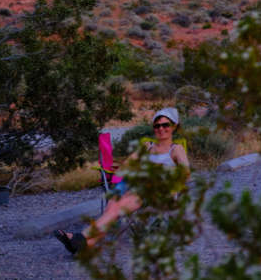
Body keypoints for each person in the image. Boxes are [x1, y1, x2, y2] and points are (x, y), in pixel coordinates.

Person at [54, 107, 190, 255]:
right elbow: (127, 166)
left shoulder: (176, 149)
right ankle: (84, 244)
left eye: (165, 125)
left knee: (120, 203)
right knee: (113, 205)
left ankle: (80, 238)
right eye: (157, 126)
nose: (161, 129)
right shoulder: (147, 147)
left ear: (174, 126)